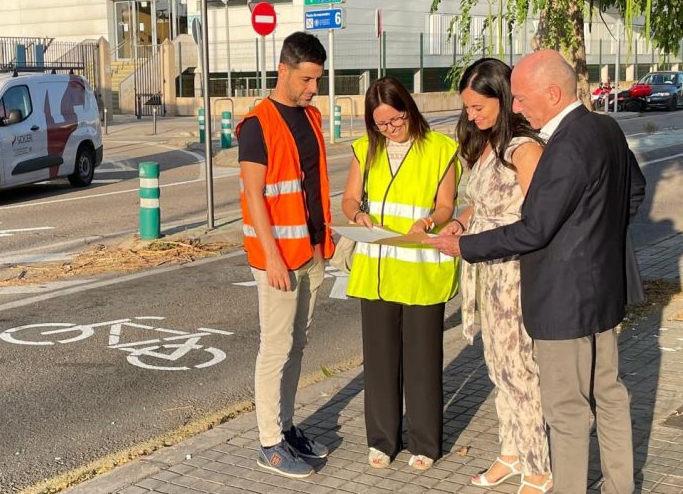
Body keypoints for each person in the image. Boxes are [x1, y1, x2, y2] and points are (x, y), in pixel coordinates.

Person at [426, 50, 646, 494]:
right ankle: (619, 486)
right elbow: (633, 192)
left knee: (564, 410)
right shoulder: (606, 127)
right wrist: (596, 242)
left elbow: (533, 230)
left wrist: (463, 245)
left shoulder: (562, 146)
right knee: (609, 393)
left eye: (522, 98)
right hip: (603, 290)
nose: (517, 107)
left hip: (563, 300)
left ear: (553, 92)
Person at [340, 77, 461, 471]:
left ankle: (425, 442)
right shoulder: (365, 149)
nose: (391, 130)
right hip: (376, 268)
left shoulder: (442, 149)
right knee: (379, 360)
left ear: (410, 109)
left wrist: (429, 220)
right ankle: (381, 440)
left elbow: (446, 205)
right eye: (381, 125)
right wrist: (356, 214)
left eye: (396, 120)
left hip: (420, 266)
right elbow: (348, 199)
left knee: (423, 359)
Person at [442, 58, 552, 493]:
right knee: (498, 368)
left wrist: (481, 234)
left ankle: (538, 466)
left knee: (521, 372)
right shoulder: (489, 144)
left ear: (503, 98)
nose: (472, 116)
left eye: (478, 106)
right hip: (487, 269)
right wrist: (463, 221)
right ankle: (511, 452)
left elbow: (538, 217)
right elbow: (484, 202)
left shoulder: (526, 148)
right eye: (467, 108)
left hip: (515, 272)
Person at [236, 32, 335, 479]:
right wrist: (272, 258)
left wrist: (321, 245)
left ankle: (288, 427)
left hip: (311, 251)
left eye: (317, 79)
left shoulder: (310, 117)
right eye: (307, 79)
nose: (313, 87)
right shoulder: (258, 123)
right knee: (275, 348)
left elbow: (310, 185)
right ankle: (269, 442)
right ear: (284, 70)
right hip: (278, 258)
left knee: (297, 345)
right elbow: (254, 195)